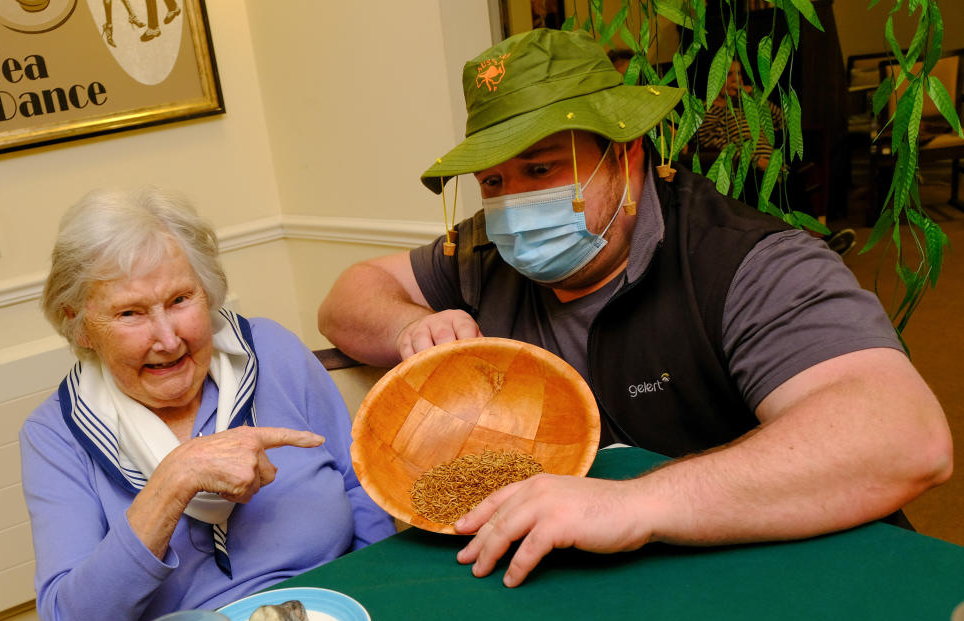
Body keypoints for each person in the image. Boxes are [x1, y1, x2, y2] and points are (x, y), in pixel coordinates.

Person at [318, 29, 951, 589]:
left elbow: (904, 439)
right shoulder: (482, 253)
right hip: (581, 588)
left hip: (780, 575)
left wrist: (636, 503)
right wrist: (408, 323)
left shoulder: (743, 260)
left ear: (627, 157)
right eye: (494, 181)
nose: (512, 205)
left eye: (541, 169)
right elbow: (348, 299)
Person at [22, 187, 393, 621]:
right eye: (130, 313)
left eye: (180, 299)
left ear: (209, 292)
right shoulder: (56, 436)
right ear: (79, 324)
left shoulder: (273, 352)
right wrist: (174, 481)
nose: (167, 337)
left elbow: (360, 487)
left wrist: (370, 608)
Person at [696, 58, 856, 255]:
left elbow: (783, 121)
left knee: (790, 177)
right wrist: (756, 162)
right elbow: (713, 144)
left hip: (772, 164)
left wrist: (755, 96)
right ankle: (815, 241)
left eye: (738, 74)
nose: (735, 80)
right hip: (743, 169)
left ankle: (814, 242)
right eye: (729, 75)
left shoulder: (749, 105)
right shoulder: (709, 109)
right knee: (785, 181)